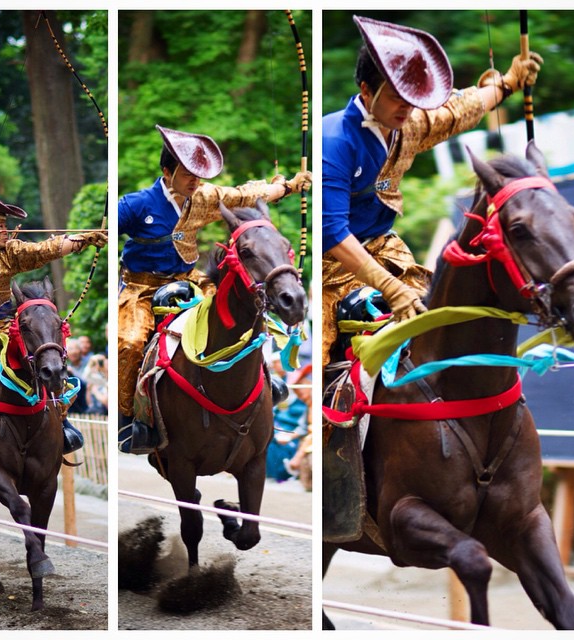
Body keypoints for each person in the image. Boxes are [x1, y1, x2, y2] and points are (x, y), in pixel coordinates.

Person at [322, 16, 542, 368]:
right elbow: (331, 232)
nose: (407, 109)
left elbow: (457, 111)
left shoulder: (406, 122)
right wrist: (391, 290)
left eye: (412, 100)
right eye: (397, 99)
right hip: (331, 268)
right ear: (366, 90)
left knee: (444, 323)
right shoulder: (333, 141)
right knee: (322, 367)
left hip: (386, 252)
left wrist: (508, 84)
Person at [118, 125, 311, 452]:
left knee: (243, 310)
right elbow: (108, 229)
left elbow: (245, 194)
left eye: (198, 175)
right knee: (131, 341)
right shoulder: (136, 205)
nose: (195, 181)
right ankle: (130, 421)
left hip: (190, 282)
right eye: (187, 174)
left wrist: (288, 187)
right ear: (167, 172)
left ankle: (266, 379)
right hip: (143, 288)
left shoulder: (204, 197)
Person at [0, 193, 108, 453]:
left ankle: (60, 422)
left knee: (43, 361)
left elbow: (45, 249)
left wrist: (84, 238)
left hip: (4, 332)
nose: (7, 231)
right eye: (0, 224)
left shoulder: (9, 253)